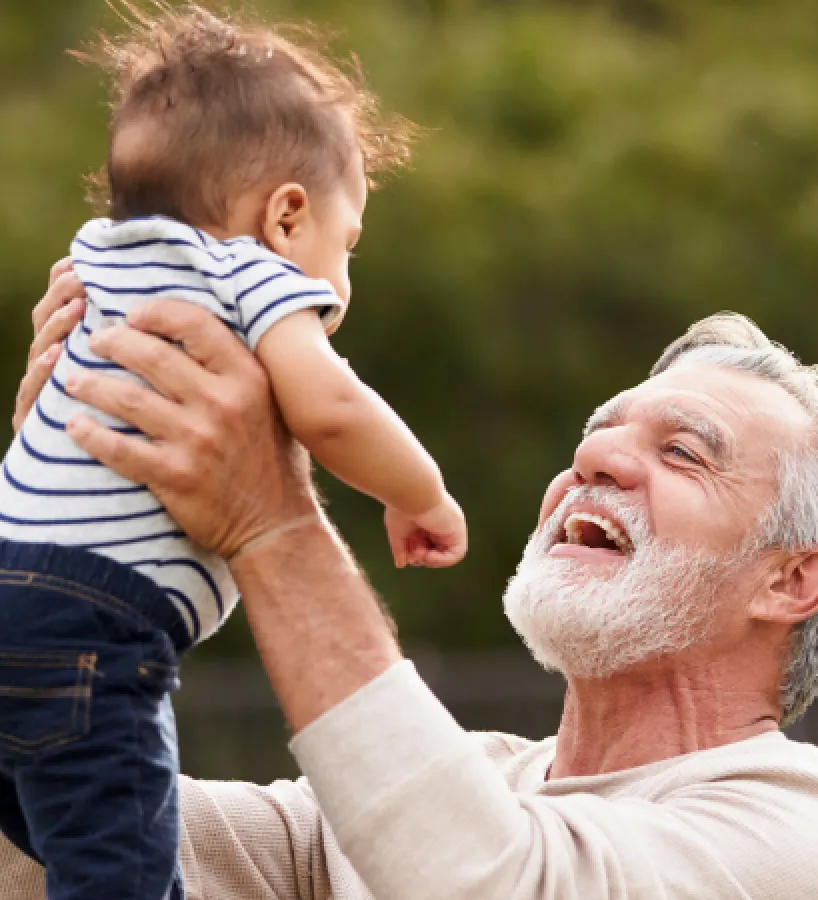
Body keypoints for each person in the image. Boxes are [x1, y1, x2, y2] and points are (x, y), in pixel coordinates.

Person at [2, 272, 818, 899]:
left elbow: (487, 882)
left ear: (790, 582)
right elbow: (64, 836)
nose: (593, 458)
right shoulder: (452, 786)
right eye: (598, 432)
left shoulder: (816, 845)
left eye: (683, 452)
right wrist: (61, 517)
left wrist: (271, 520)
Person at [0, 6, 465, 900]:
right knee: (124, 869)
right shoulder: (246, 272)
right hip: (98, 628)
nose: (343, 280)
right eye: (350, 244)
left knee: (58, 823)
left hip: (12, 585)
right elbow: (331, 408)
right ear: (288, 217)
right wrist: (422, 493)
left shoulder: (95, 262)